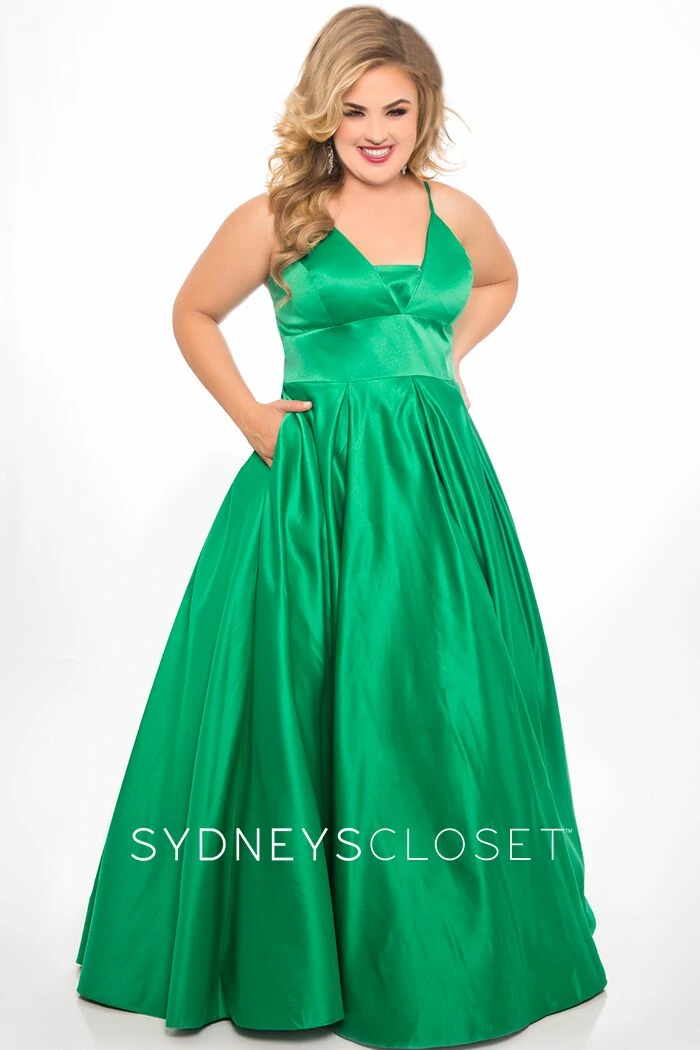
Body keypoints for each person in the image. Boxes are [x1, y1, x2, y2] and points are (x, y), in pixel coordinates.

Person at [75, 6, 607, 1047]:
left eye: (395, 110)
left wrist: (446, 353)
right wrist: (251, 417)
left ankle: (450, 940)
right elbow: (192, 311)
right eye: (354, 110)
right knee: (309, 692)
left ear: (425, 113)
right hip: (318, 487)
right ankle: (301, 948)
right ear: (323, 112)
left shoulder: (456, 213)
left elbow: (500, 280)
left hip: (440, 486)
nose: (375, 131)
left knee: (445, 691)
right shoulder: (280, 218)